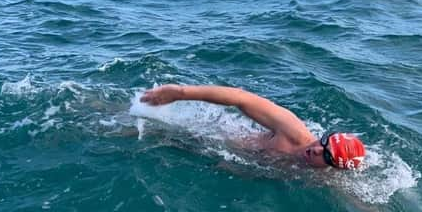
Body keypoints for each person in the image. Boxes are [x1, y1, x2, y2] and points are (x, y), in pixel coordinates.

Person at [141, 84, 366, 170]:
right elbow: (241, 98)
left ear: (333, 167)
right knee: (139, 125)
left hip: (219, 159)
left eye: (326, 156)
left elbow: (363, 205)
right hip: (209, 135)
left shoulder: (320, 177)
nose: (317, 149)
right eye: (324, 143)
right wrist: (180, 93)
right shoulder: (293, 131)